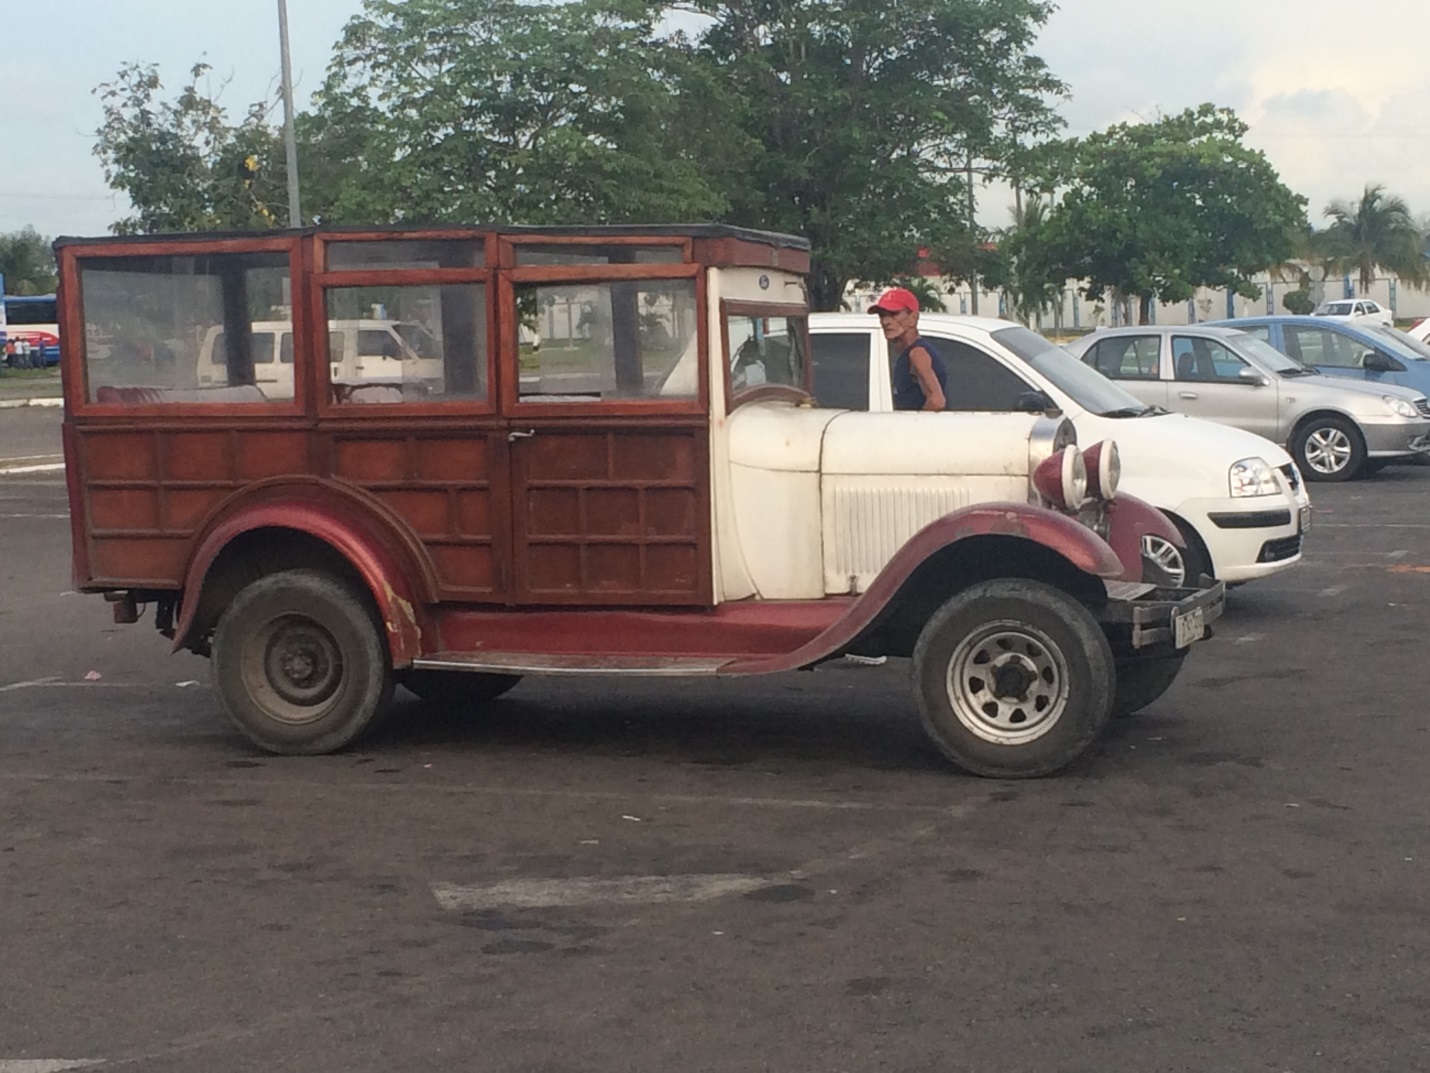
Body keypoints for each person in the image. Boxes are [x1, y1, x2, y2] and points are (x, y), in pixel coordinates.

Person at [869, 287, 947, 411]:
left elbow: (937, 401)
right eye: (882, 315)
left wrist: (913, 425)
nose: (885, 321)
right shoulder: (906, 354)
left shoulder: (917, 353)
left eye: (894, 314)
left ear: (913, 318)